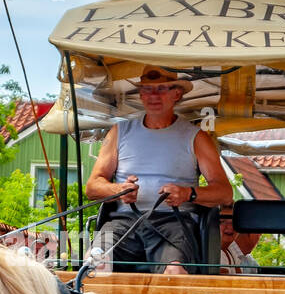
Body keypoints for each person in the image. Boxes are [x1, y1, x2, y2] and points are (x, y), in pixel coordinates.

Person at [85, 66, 234, 274]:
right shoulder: (119, 132)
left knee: (174, 272)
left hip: (173, 223)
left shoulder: (197, 137)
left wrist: (187, 193)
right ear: (141, 94)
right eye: (147, 89)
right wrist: (118, 190)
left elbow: (225, 192)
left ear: (176, 94)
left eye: (161, 89)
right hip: (122, 222)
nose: (153, 96)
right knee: (94, 264)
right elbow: (92, 187)